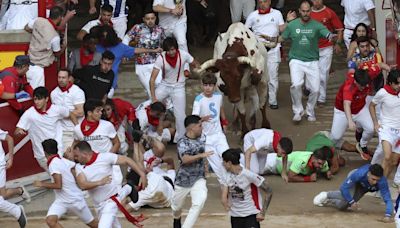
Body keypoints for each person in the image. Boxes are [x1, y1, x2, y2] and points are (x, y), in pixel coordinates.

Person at [267, 0, 335, 122]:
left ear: (310, 11)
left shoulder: (317, 25)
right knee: (296, 85)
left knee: (315, 89)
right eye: (303, 11)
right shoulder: (292, 25)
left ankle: (310, 111)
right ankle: (297, 111)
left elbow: (327, 34)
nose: (305, 13)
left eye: (308, 11)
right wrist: (269, 42)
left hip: (312, 61)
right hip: (296, 60)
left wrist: (332, 37)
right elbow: (282, 37)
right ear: (299, 11)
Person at [73, 141, 148, 227]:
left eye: (77, 156)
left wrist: (142, 174)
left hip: (110, 202)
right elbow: (82, 185)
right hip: (98, 206)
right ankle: (128, 188)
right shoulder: (79, 167)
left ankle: (128, 188)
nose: (75, 159)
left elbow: (127, 160)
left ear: (84, 154)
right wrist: (99, 182)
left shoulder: (105, 157)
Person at [33, 139, 98, 228]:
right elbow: (73, 166)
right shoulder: (61, 160)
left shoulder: (53, 163)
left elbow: (58, 185)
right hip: (62, 200)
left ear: (44, 152)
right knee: (50, 220)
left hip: (74, 200)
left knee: (94, 224)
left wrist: (42, 184)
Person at [150, 37, 199, 142]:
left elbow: (195, 63)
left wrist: (195, 71)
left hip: (179, 87)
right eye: (168, 50)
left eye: (173, 49)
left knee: (180, 115)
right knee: (150, 105)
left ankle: (180, 139)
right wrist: (154, 98)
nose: (171, 52)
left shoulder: (183, 54)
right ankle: (150, 129)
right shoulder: (161, 58)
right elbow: (152, 79)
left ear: (176, 48)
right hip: (164, 85)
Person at [15, 87, 75, 171]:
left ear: (46, 99)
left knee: (60, 177)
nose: (37, 102)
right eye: (35, 99)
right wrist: (19, 132)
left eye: (39, 99)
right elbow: (17, 130)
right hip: (41, 154)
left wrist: (78, 129)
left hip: (58, 151)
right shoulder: (29, 114)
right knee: (60, 178)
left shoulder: (56, 109)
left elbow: (71, 114)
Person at [313, 164, 393, 224]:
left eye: (377, 180)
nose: (375, 182)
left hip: (364, 188)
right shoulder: (359, 173)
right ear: (369, 173)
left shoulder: (382, 182)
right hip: (355, 181)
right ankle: (326, 194)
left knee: (342, 207)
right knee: (348, 197)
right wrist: (351, 201)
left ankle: (331, 200)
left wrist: (388, 215)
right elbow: (344, 188)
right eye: (373, 179)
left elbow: (388, 199)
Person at [245, 0, 289, 109]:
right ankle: (256, 98)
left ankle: (273, 100)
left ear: (269, 2)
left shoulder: (277, 13)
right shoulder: (252, 15)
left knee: (272, 77)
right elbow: (246, 31)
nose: (262, 4)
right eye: (260, 2)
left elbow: (281, 29)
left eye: (264, 1)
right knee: (255, 75)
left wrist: (288, 21)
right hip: (258, 51)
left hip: (273, 49)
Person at [329, 68, 380, 161]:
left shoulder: (367, 76)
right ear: (355, 81)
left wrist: (388, 68)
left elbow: (378, 66)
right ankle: (333, 149)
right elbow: (346, 104)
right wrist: (350, 121)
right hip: (342, 112)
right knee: (335, 137)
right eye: (361, 86)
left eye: (365, 85)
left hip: (360, 108)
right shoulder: (349, 87)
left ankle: (362, 144)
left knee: (370, 129)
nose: (364, 88)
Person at [95, 25, 162, 94]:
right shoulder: (96, 46)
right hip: (95, 80)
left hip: (110, 83)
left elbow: (136, 50)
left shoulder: (120, 47)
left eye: (106, 37)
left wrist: (153, 50)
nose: (104, 39)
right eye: (103, 37)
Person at [172, 115, 212, 228]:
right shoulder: (182, 142)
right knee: (176, 207)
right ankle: (176, 218)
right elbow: (185, 159)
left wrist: (201, 120)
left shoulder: (202, 137)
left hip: (199, 177)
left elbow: (195, 125)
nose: (202, 128)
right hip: (183, 179)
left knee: (199, 202)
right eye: (200, 126)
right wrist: (201, 155)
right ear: (192, 128)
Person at [192, 73, 229, 184]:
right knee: (217, 165)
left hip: (218, 134)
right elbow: (193, 119)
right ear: (202, 85)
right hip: (206, 138)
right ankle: (225, 185)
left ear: (214, 86)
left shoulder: (218, 96)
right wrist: (202, 119)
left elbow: (221, 109)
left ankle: (232, 183)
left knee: (228, 157)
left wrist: (225, 123)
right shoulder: (198, 100)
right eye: (205, 85)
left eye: (210, 85)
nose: (207, 88)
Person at [221, 148, 273, 228]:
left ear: (229, 163)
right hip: (235, 217)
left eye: (224, 162)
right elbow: (224, 196)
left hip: (250, 215)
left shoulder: (249, 175)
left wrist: (262, 213)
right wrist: (227, 206)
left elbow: (269, 190)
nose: (222, 164)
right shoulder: (226, 175)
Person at [122, 10, 165, 98]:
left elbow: (164, 44)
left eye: (152, 18)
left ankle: (164, 107)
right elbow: (126, 39)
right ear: (143, 19)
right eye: (148, 19)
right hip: (141, 64)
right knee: (149, 89)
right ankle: (156, 108)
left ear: (155, 18)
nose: (150, 21)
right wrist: (125, 54)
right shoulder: (137, 28)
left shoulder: (160, 29)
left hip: (157, 63)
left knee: (160, 86)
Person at [310, 0, 344, 105]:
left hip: (326, 47)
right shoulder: (307, 13)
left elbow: (339, 29)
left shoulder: (329, 13)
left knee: (323, 73)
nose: (316, 1)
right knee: (310, 72)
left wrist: (338, 43)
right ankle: (309, 87)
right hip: (311, 48)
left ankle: (321, 98)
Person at [24, 6, 66, 89]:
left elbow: (27, 28)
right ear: (60, 17)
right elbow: (57, 53)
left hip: (27, 65)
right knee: (37, 95)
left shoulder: (38, 20)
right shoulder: (55, 37)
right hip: (38, 70)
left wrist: (37, 35)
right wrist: (64, 47)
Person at [370, 70, 400, 177]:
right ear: (390, 83)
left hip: (399, 131)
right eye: (397, 83)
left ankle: (383, 182)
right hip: (386, 129)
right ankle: (376, 179)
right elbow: (371, 105)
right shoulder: (382, 92)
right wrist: (375, 123)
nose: (399, 86)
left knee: (394, 162)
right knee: (387, 157)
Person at [50, 69, 85, 155]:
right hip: (60, 131)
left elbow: (81, 112)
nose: (61, 80)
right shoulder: (54, 93)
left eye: (64, 77)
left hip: (74, 131)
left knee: (73, 157)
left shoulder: (77, 91)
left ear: (69, 78)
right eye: (59, 77)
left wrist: (62, 114)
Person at [0, 128, 29, 228]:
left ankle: (17, 210)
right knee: (2, 196)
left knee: (2, 195)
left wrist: (11, 158)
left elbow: (10, 139)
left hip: (0, 166)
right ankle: (17, 208)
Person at [265, 149, 331, 182]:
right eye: (319, 163)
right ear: (313, 159)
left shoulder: (322, 163)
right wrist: (308, 179)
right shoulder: (301, 160)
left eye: (322, 164)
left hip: (275, 167)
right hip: (271, 163)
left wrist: (327, 172)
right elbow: (290, 177)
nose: (321, 166)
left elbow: (326, 168)